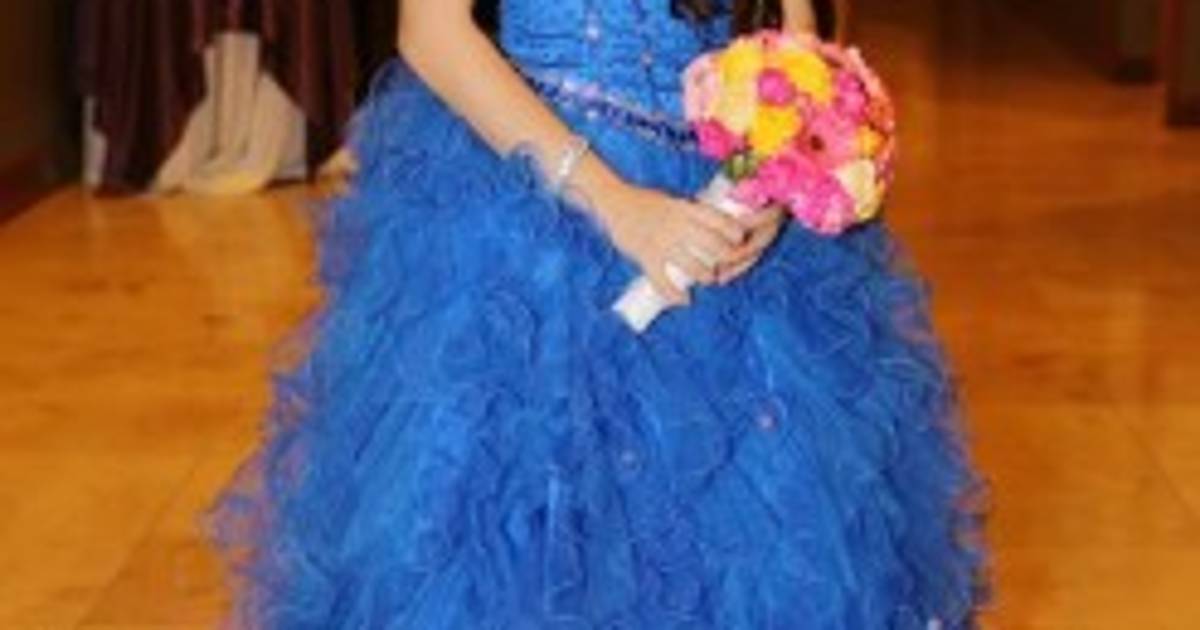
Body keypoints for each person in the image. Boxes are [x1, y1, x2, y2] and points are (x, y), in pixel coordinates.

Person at [207, 1, 990, 628]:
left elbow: (795, 33)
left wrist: (776, 183)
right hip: (534, 208)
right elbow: (433, 33)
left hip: (713, 212)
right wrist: (617, 205)